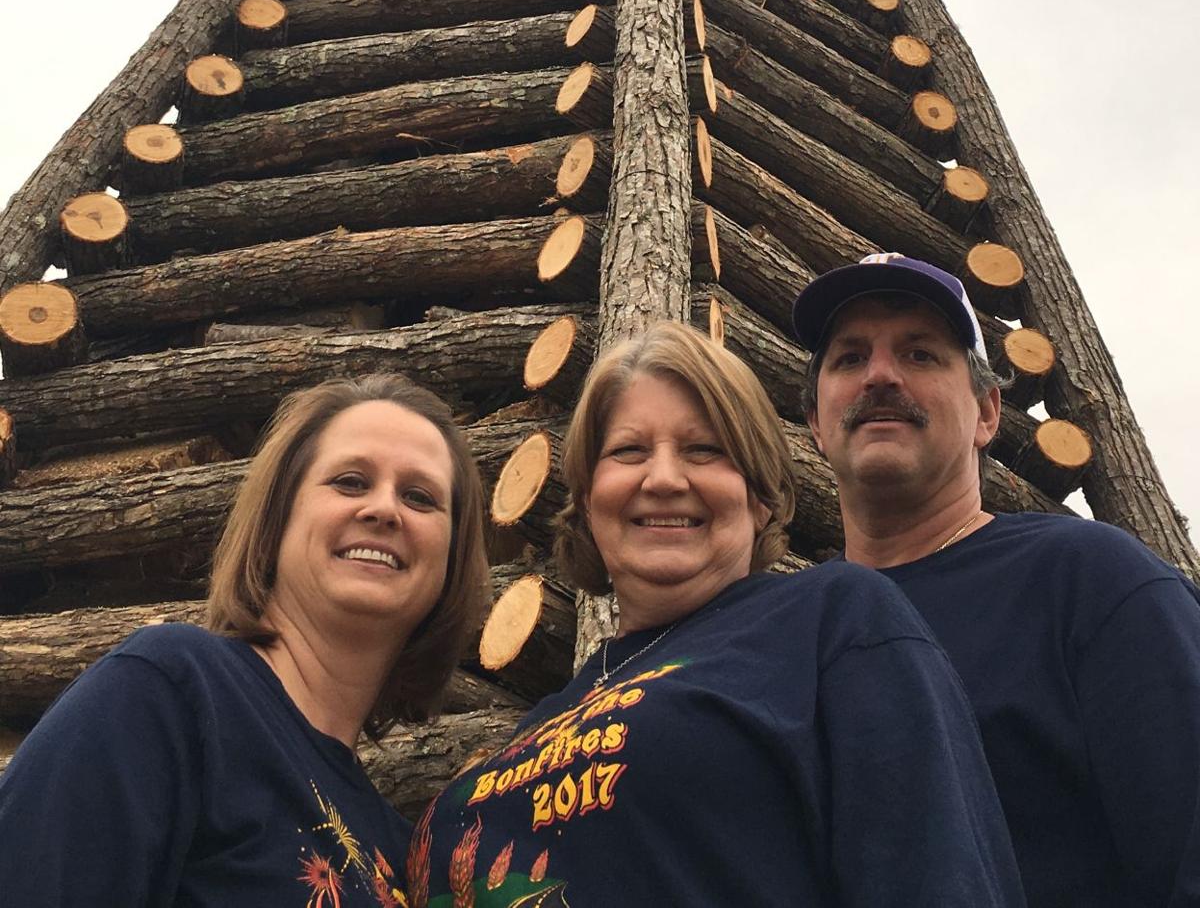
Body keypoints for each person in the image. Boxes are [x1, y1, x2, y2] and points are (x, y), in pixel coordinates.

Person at [413, 321, 1024, 907]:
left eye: (704, 451)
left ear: (759, 498)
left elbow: (937, 876)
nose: (664, 478)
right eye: (628, 452)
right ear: (589, 500)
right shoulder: (546, 718)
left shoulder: (833, 622)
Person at [792, 251, 1200, 908]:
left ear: (987, 412)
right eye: (849, 357)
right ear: (815, 421)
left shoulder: (1092, 584)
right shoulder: (782, 634)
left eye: (921, 354)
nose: (881, 376)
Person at [0, 370, 489, 906]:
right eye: (350, 481)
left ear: (452, 557)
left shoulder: (398, 854)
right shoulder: (168, 693)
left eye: (420, 497)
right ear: (279, 516)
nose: (383, 509)